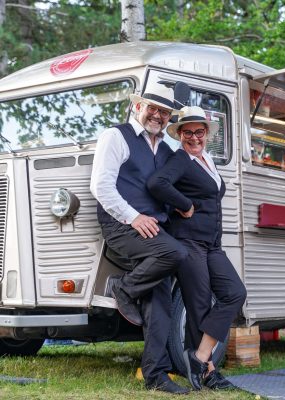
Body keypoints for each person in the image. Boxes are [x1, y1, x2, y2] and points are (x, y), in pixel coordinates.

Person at [90, 82, 189, 395]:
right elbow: (101, 186)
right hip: (122, 225)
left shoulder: (167, 148)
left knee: (159, 302)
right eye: (153, 108)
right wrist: (133, 217)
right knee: (176, 255)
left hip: (153, 229)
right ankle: (125, 288)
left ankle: (156, 376)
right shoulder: (115, 136)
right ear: (138, 106)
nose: (158, 115)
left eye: (165, 111)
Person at [147, 106, 247, 390]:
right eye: (188, 132)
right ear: (179, 135)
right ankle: (208, 371)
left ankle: (200, 356)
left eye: (199, 132)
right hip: (189, 241)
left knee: (234, 293)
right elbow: (157, 183)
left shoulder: (207, 160)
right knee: (199, 306)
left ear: (206, 134)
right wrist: (185, 204)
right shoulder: (181, 159)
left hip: (212, 244)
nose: (194, 138)